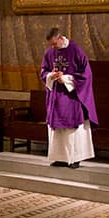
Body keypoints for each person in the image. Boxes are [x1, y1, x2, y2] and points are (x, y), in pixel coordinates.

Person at [40, 27, 98, 168]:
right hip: (56, 97)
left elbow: (86, 75)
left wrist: (65, 79)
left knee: (72, 129)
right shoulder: (50, 52)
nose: (53, 47)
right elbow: (43, 70)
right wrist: (51, 76)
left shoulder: (75, 50)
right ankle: (60, 157)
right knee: (57, 131)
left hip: (72, 96)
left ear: (60, 38)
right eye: (51, 45)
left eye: (54, 44)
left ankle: (74, 158)